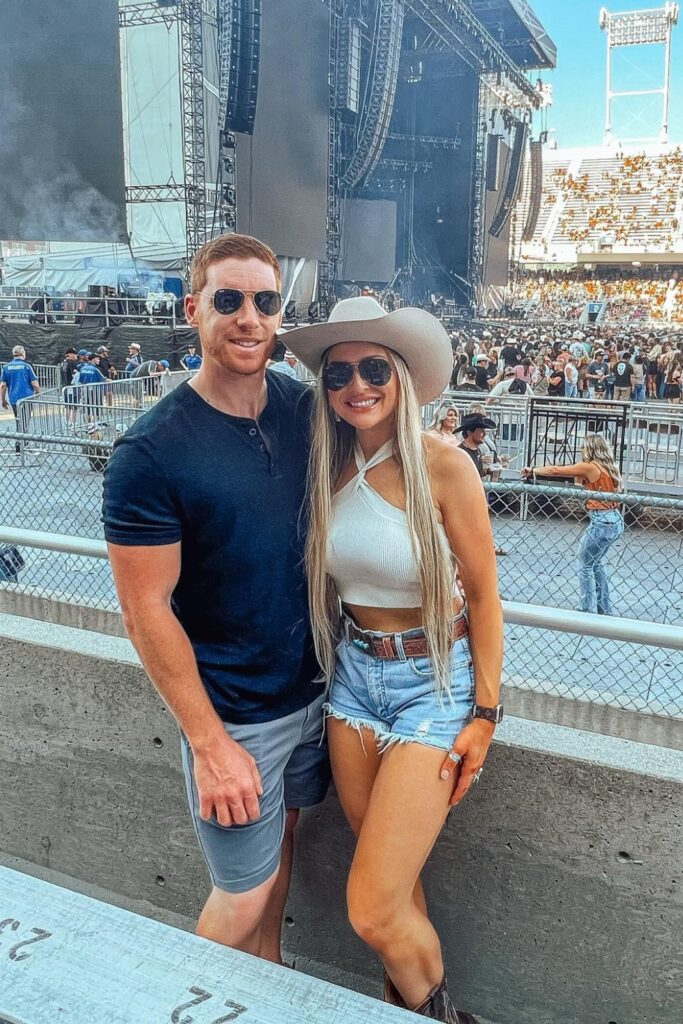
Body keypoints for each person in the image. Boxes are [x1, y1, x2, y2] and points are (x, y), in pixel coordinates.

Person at [103, 234, 329, 965]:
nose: (248, 318)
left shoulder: (302, 409)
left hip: (314, 694)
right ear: (194, 308)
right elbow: (145, 612)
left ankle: (258, 991)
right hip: (236, 716)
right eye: (228, 301)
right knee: (239, 896)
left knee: (280, 855)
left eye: (265, 302)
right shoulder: (151, 450)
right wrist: (210, 744)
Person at [286, 296, 502, 1023]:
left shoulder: (444, 465)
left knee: (372, 909)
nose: (355, 384)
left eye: (372, 366)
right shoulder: (325, 461)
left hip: (431, 688)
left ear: (401, 373)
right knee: (396, 891)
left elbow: (484, 598)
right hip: (352, 683)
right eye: (337, 371)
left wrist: (485, 713)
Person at [521, 434, 623, 615]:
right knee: (596, 563)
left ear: (591, 448)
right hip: (613, 519)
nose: (581, 450)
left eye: (584, 447)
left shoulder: (591, 467)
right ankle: (604, 608)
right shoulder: (609, 467)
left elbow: (556, 470)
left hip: (601, 520)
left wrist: (534, 470)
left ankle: (585, 607)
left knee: (584, 564)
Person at [0, 345, 40, 449]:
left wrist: (3, 400)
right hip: (26, 397)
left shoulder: (6, 367)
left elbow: (3, 386)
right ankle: (22, 442)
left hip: (14, 398)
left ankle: (20, 441)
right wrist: (39, 393)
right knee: (25, 420)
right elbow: (34, 383)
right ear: (22, 353)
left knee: (18, 419)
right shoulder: (27, 366)